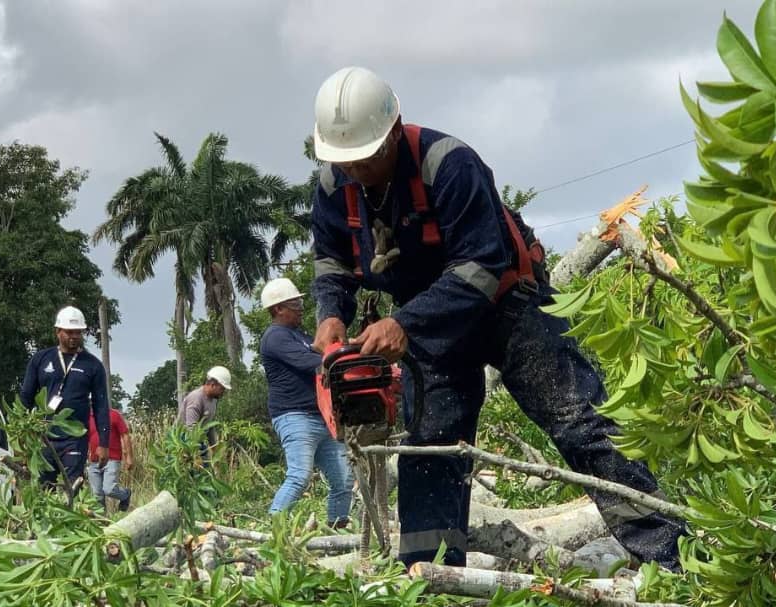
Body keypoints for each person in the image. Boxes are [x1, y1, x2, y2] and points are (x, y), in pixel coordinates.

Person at [308, 66, 685, 569]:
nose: (355, 171)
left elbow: (481, 266)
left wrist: (407, 324)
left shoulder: (449, 165)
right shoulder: (334, 186)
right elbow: (332, 259)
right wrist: (332, 315)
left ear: (394, 132)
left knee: (579, 422)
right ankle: (431, 577)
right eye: (345, 161)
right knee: (431, 448)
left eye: (365, 159)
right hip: (428, 324)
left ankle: (670, 558)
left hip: (507, 307)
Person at [259, 277, 353, 527]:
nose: (301, 307)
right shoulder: (275, 337)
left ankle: (337, 531)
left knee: (343, 479)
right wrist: (347, 359)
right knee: (299, 476)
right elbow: (314, 362)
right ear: (278, 308)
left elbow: (324, 350)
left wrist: (351, 346)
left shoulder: (299, 335)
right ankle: (275, 531)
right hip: (294, 416)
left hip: (321, 416)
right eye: (295, 303)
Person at [21, 306, 110, 488]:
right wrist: (22, 434)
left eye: (78, 332)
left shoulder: (93, 365)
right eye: (69, 332)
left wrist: (104, 443)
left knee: (73, 487)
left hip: (75, 438)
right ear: (58, 332)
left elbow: (101, 405)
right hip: (45, 436)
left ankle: (71, 512)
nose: (74, 336)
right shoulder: (41, 359)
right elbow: (26, 397)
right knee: (44, 488)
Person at [175, 366, 232, 460]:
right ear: (213, 385)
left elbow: (209, 426)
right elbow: (191, 428)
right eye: (222, 389)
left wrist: (215, 449)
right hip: (184, 441)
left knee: (206, 466)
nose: (223, 392)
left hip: (197, 440)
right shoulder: (196, 399)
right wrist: (196, 456)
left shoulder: (214, 400)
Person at [87, 405, 133, 512]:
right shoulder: (88, 418)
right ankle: (102, 523)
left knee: (109, 489)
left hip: (112, 459)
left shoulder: (114, 415)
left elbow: (125, 435)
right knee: (97, 496)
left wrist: (129, 457)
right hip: (94, 462)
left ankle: (125, 495)